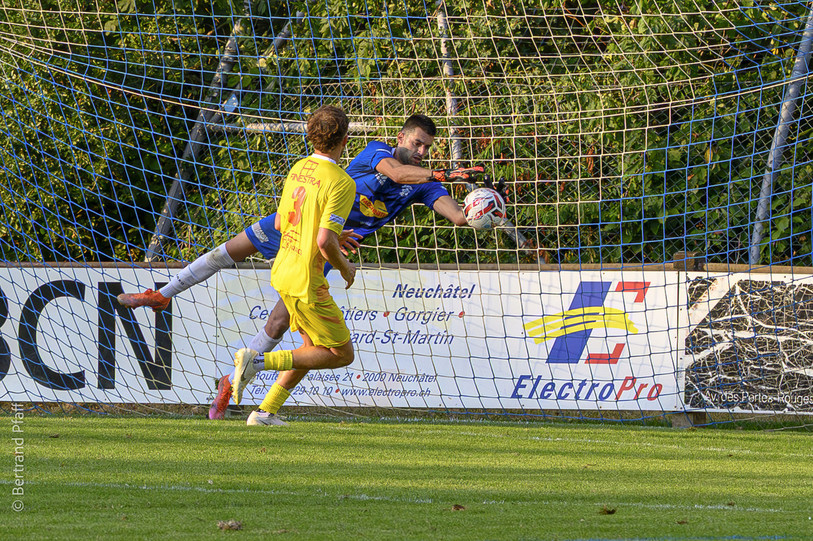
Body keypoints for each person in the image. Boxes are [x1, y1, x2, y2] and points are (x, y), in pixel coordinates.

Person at [118, 114, 485, 424]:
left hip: (319, 250)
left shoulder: (422, 185)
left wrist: (483, 213)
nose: (421, 151)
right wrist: (444, 173)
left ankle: (236, 389)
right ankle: (160, 296)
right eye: (417, 143)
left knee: (284, 328)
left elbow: (455, 215)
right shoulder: (379, 152)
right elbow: (398, 173)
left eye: (426, 148)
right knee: (223, 254)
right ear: (401, 137)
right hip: (296, 226)